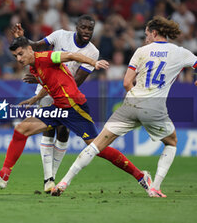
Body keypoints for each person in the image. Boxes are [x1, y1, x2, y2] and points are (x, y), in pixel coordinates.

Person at [0, 36, 151, 195]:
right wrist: (35, 98)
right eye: (16, 56)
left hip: (75, 108)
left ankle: (140, 176)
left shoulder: (46, 57)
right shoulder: (34, 67)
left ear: (30, 49)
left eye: (21, 54)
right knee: (21, 130)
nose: (19, 59)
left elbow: (71, 56)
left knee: (99, 149)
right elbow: (51, 83)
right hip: (58, 108)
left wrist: (94, 62)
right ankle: (3, 175)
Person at [51, 16, 197, 198]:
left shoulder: (141, 51)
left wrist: (135, 99)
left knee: (96, 145)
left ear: (154, 32)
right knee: (171, 142)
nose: (146, 39)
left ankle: (64, 182)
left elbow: (127, 82)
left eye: (147, 35)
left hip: (130, 104)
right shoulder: (180, 52)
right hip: (154, 108)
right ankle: (155, 187)